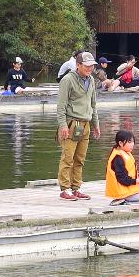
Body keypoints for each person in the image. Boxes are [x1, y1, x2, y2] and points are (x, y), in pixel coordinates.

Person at [57, 51, 100, 201]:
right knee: (67, 157)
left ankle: (76, 187)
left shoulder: (92, 80)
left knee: (80, 158)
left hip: (86, 123)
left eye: (92, 66)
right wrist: (63, 126)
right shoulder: (67, 80)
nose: (90, 69)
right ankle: (65, 188)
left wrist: (96, 124)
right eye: (87, 66)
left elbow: (93, 104)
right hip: (71, 124)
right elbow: (61, 106)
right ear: (78, 65)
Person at [103, 128, 139, 207]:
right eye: (129, 142)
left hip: (131, 189)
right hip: (123, 192)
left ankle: (125, 201)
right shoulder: (118, 158)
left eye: (133, 141)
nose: (132, 144)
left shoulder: (126, 153)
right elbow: (123, 180)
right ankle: (123, 203)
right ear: (120, 143)